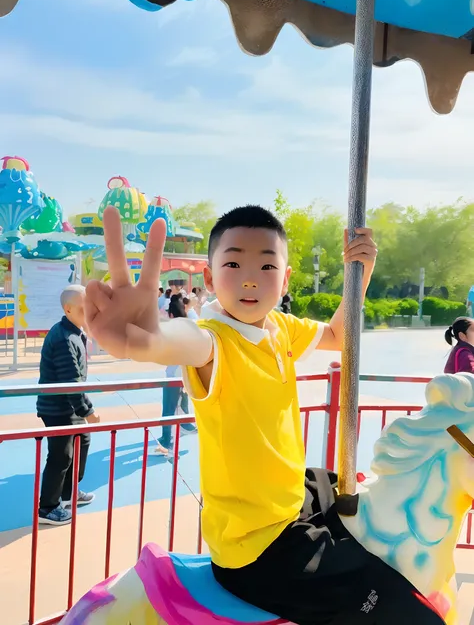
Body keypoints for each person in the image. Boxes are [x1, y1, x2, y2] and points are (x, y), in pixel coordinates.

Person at [85, 205, 445, 623]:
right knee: (408, 612)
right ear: (209, 277)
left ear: (285, 277)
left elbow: (335, 335)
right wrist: (148, 340)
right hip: (259, 545)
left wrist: (360, 273)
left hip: (291, 499)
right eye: (233, 262)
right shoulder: (212, 342)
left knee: (341, 488)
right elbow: (179, 341)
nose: (250, 278)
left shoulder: (279, 327)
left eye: (267, 265)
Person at [37, 285, 98, 526]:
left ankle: (69, 493)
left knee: (83, 440)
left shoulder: (74, 332)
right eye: (84, 309)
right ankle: (48, 508)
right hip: (58, 408)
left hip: (68, 406)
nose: (89, 313)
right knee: (61, 456)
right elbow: (70, 380)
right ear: (68, 309)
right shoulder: (63, 338)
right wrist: (88, 411)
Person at [155, 294, 197, 455]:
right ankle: (186, 425)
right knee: (180, 403)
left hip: (175, 375)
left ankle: (167, 442)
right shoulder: (190, 324)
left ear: (171, 314)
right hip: (185, 374)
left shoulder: (173, 329)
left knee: (168, 409)